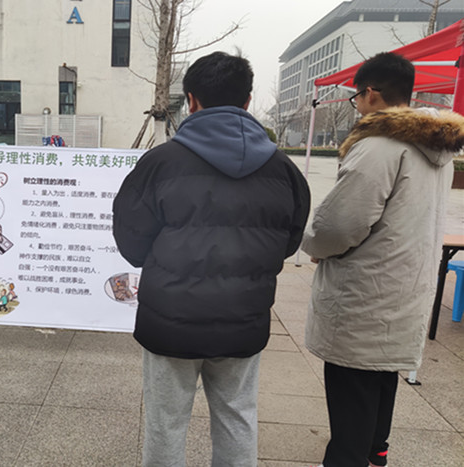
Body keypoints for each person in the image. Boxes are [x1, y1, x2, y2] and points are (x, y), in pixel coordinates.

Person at [112, 51, 311, 466]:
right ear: (248, 100)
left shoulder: (159, 163)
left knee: (166, 422)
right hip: (244, 318)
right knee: (238, 417)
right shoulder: (284, 170)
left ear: (191, 100)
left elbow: (131, 243)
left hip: (169, 318)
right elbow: (288, 243)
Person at [302, 52, 464, 467]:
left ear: (371, 93)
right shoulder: (436, 146)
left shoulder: (378, 147)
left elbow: (340, 225)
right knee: (381, 375)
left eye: (356, 96)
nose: (356, 104)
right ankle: (376, 452)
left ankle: (349, 459)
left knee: (352, 390)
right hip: (406, 287)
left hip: (365, 295)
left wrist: (314, 245)